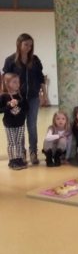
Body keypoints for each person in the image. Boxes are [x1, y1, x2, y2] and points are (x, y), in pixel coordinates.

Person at [2, 33, 47, 165]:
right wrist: (5, 95)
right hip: (18, 99)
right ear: (19, 44)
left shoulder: (35, 60)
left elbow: (40, 78)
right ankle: (21, 152)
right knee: (19, 125)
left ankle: (33, 151)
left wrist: (44, 95)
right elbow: (5, 79)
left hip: (33, 97)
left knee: (32, 125)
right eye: (26, 44)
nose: (28, 47)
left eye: (30, 45)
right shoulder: (10, 60)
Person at [0, 73, 28, 170]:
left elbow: (26, 107)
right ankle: (12, 161)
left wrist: (19, 103)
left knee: (19, 142)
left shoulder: (20, 95)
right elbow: (1, 110)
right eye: (14, 82)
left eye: (18, 82)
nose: (17, 84)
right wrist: (9, 106)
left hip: (20, 123)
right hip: (9, 124)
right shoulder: (4, 96)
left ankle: (19, 159)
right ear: (7, 83)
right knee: (12, 143)